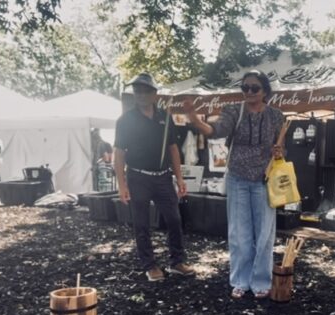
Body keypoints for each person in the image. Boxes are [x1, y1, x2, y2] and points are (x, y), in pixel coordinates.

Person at [183, 70, 286, 299]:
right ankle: (240, 280)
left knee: (265, 233)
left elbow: (281, 149)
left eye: (254, 88)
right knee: (239, 234)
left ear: (265, 91)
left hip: (265, 180)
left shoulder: (276, 116)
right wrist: (195, 119)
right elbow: (216, 131)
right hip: (238, 178)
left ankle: (261, 281)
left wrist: (279, 151)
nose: (249, 91)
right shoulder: (233, 110)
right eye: (245, 87)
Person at [114, 73, 194, 281]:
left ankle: (177, 262)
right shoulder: (125, 120)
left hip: (163, 177)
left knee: (174, 219)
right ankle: (149, 265)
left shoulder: (164, 117)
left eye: (145, 91)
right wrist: (122, 185)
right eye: (137, 91)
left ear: (154, 94)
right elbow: (119, 154)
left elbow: (173, 149)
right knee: (141, 223)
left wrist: (180, 178)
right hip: (138, 177)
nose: (140, 94)